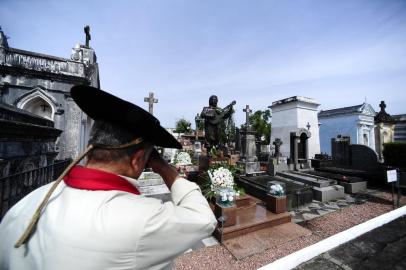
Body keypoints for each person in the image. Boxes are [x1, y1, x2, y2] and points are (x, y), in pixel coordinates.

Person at [0, 85, 217, 270]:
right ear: (138, 159)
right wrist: (163, 167)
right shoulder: (142, 220)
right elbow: (203, 219)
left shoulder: (26, 206)